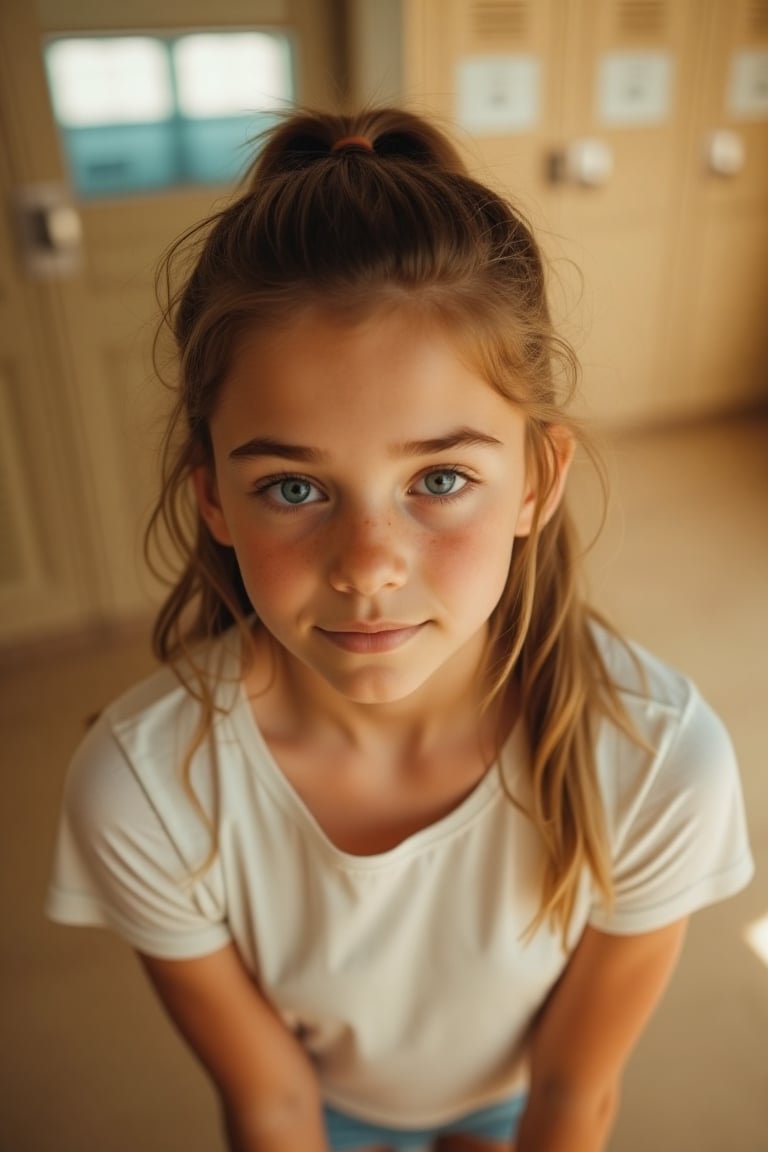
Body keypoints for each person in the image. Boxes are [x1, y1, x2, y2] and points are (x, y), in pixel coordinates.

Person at [46, 107, 754, 1152]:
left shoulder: (657, 762)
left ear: (535, 481)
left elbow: (572, 1099)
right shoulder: (146, 786)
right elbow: (272, 1105)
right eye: (293, 484)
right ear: (211, 502)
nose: (369, 563)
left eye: (440, 478)